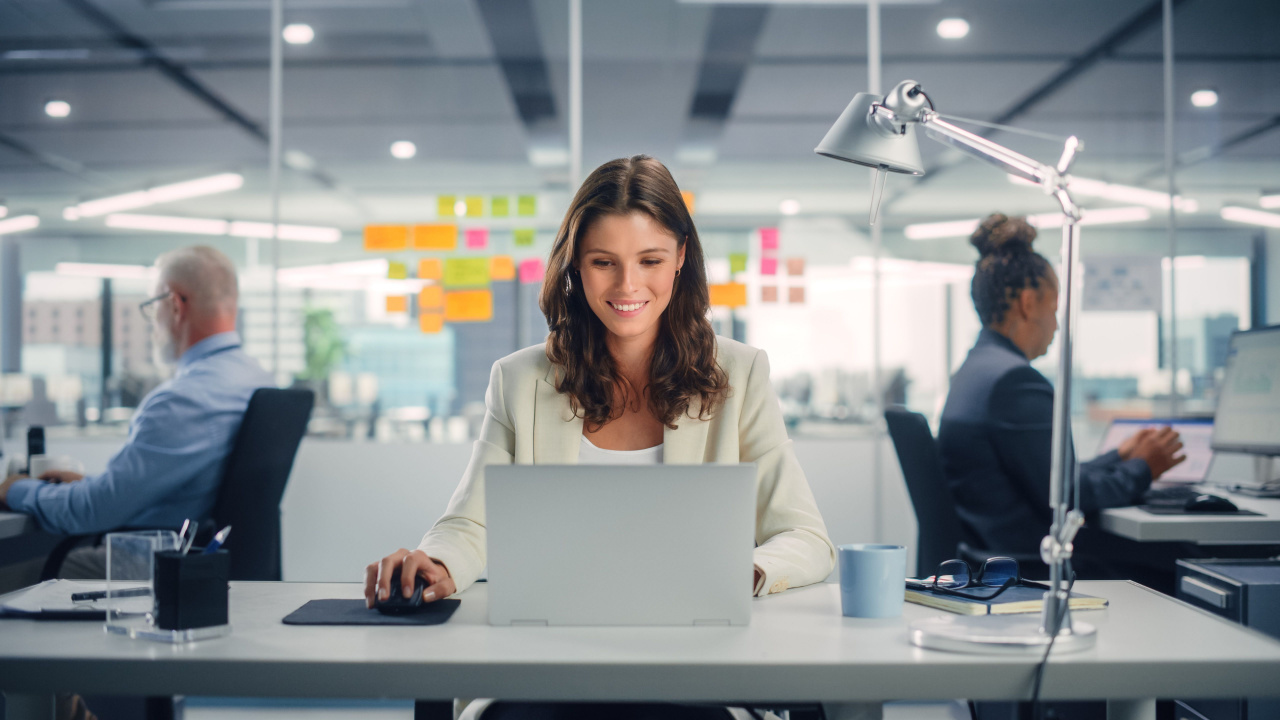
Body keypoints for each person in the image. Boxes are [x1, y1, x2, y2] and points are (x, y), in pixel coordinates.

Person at [365, 155, 836, 720]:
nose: (628, 285)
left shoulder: (740, 374)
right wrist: (436, 563)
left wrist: (745, 571)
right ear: (576, 268)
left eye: (650, 260)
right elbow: (471, 522)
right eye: (603, 262)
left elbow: (806, 537)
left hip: (696, 667)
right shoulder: (520, 380)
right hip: (547, 666)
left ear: (682, 259)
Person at [937, 213, 1185, 585]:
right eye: (1054, 308)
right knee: (1185, 558)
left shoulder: (975, 371)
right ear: (1027, 303)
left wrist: (1119, 456)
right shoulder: (1014, 381)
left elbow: (1049, 478)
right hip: (1034, 567)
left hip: (992, 558)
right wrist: (1143, 468)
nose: (1056, 324)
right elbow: (1066, 497)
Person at [0, 245, 274, 578]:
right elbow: (177, 486)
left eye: (151, 306)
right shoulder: (256, 378)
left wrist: (15, 489)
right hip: (204, 560)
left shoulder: (183, 400)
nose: (151, 321)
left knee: (14, 573)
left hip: (158, 563)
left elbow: (92, 511)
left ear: (173, 305)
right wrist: (94, 484)